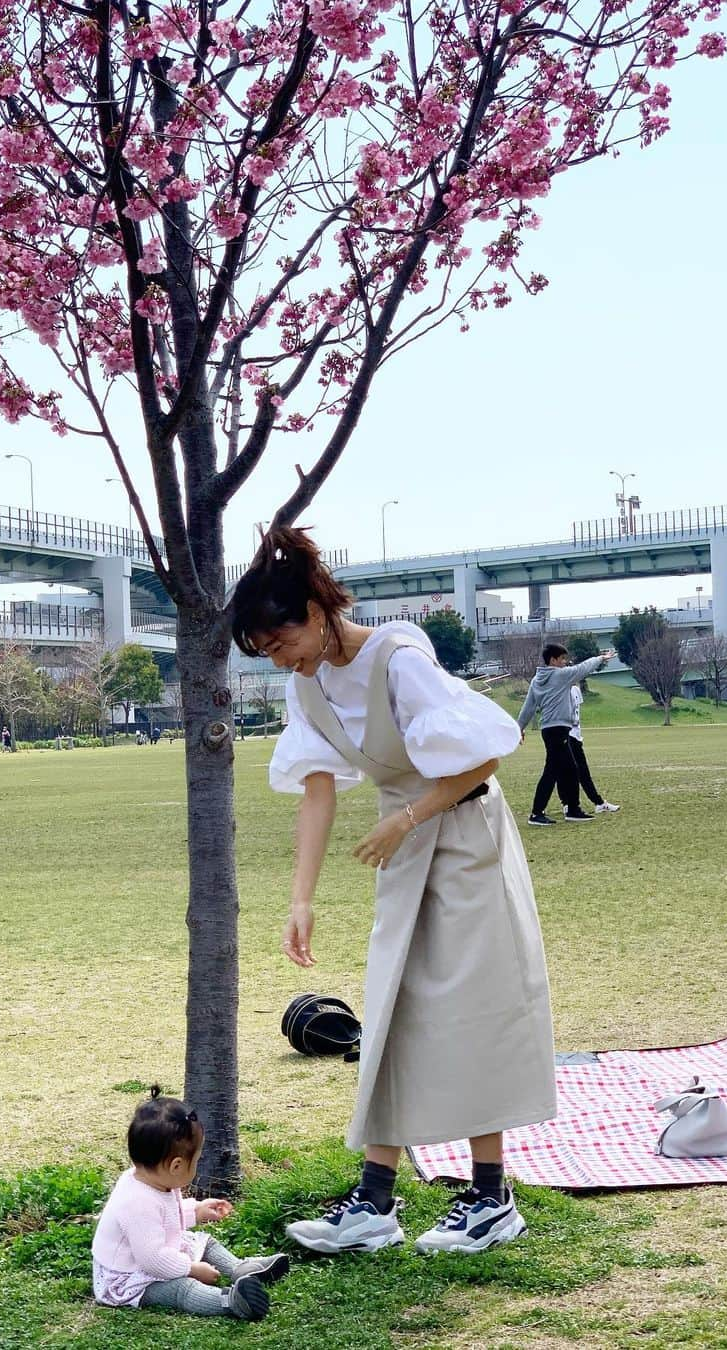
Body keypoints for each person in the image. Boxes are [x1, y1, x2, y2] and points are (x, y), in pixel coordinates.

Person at [232, 527, 555, 1257]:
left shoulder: (399, 656)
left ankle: (491, 1195)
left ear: (316, 613)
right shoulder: (306, 687)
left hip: (466, 833)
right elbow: (317, 794)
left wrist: (407, 816)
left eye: (278, 641)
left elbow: (483, 761)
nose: (277, 659)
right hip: (403, 842)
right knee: (388, 1007)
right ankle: (375, 1202)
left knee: (475, 1006)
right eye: (264, 651)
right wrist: (300, 899)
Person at [91, 1086, 288, 1320]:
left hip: (152, 1256)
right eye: (195, 1161)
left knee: (204, 1243)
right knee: (181, 1288)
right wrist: (192, 1269)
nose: (195, 1166)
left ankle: (238, 1268)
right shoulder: (136, 1202)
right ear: (175, 1166)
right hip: (129, 1277)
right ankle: (231, 1301)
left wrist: (197, 1210)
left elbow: (165, 1216)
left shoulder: (152, 1179)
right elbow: (153, 1260)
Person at [516, 643, 614, 826]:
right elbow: (582, 668)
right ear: (553, 660)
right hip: (558, 730)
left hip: (550, 730)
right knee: (552, 771)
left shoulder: (537, 680)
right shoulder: (560, 675)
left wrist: (519, 727)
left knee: (570, 769)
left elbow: (528, 707)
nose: (565, 662)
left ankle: (572, 809)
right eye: (562, 659)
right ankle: (537, 813)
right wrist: (601, 658)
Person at [558, 684, 620, 816]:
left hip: (575, 735)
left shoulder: (575, 689)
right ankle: (596, 802)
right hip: (568, 735)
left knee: (567, 770)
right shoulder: (561, 689)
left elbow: (577, 713)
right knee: (578, 771)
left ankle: (569, 803)